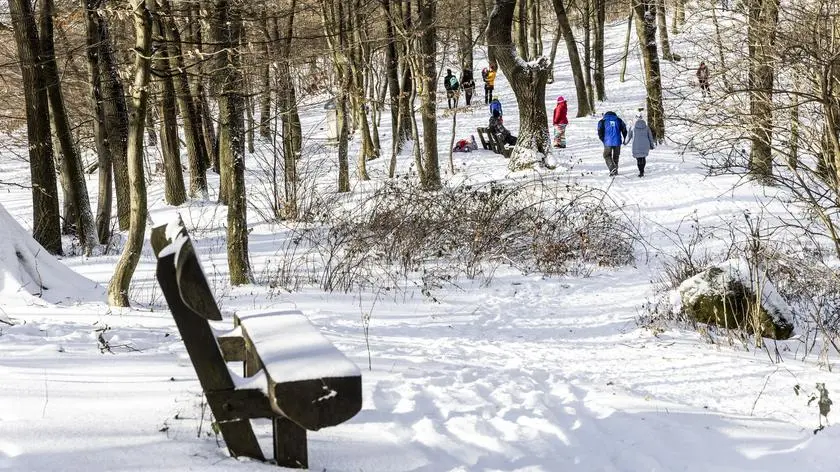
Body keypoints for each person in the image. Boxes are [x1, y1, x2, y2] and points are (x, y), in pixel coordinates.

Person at [597, 111, 628, 176]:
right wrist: (625, 138)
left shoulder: (602, 121)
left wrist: (603, 140)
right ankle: (615, 170)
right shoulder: (619, 120)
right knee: (616, 156)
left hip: (607, 142)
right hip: (617, 142)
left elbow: (600, 132)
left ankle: (612, 168)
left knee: (607, 155)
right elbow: (624, 130)